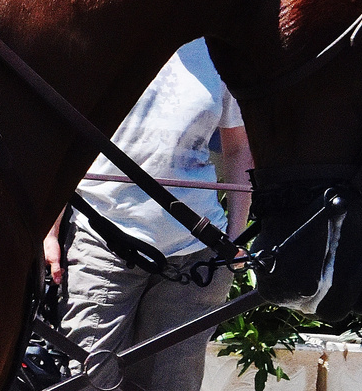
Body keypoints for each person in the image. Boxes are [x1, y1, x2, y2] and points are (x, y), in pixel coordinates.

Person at [49, 38, 252, 391]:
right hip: (105, 242)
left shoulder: (220, 52)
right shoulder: (108, 40)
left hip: (197, 258)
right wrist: (50, 233)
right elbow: (62, 141)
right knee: (87, 384)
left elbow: (237, 148)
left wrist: (234, 237)